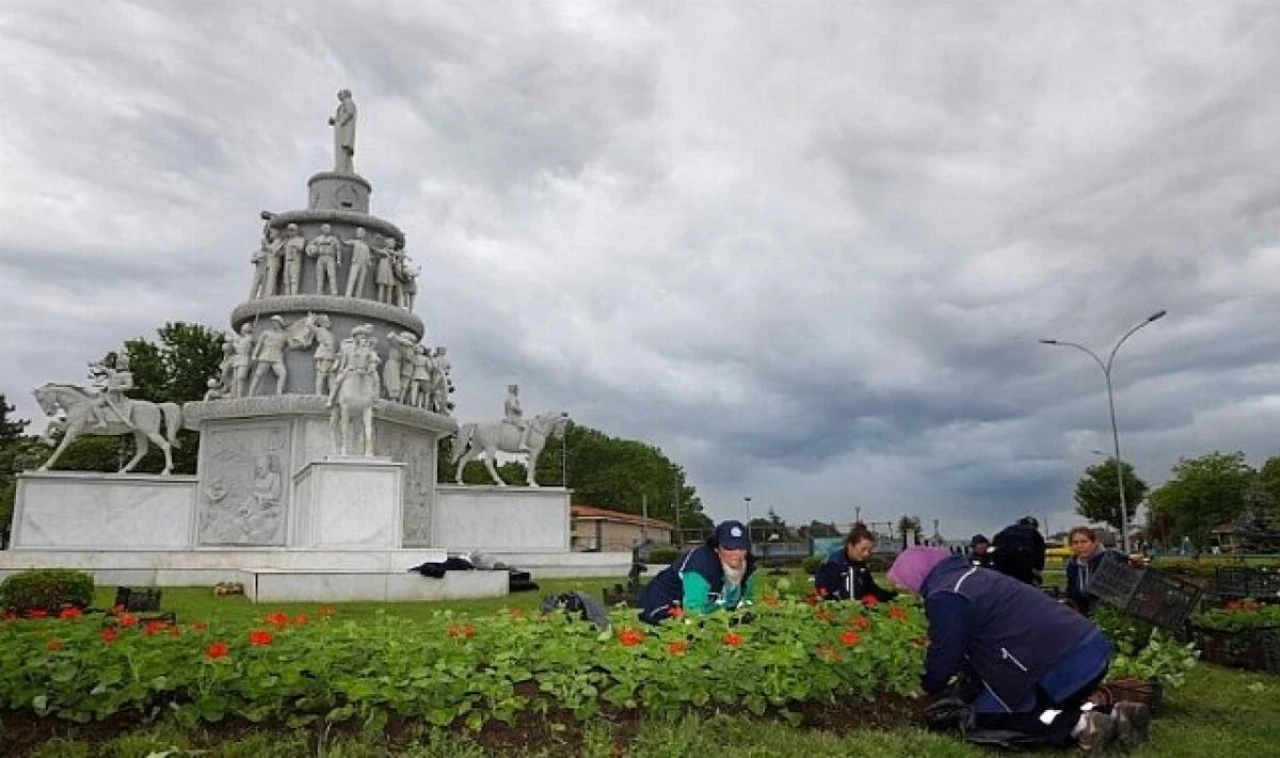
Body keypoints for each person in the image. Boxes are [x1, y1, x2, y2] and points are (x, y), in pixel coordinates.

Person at [887, 547, 1151, 754]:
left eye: (903, 583)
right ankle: (1115, 715)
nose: (905, 590)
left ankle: (1078, 726)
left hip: (1063, 664)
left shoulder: (946, 594)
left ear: (916, 573)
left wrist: (928, 685)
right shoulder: (973, 577)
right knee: (1023, 704)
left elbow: (947, 652)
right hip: (1089, 648)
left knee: (989, 716)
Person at [638, 520, 757, 624]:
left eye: (741, 548)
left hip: (703, 608)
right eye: (729, 548)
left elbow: (747, 602)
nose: (736, 554)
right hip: (661, 604)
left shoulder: (748, 567)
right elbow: (693, 610)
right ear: (717, 548)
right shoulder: (700, 565)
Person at [814, 524, 896, 602]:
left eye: (870, 550)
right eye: (863, 549)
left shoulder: (861, 565)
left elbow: (871, 588)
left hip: (856, 610)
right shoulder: (834, 564)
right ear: (850, 545)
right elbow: (823, 592)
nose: (867, 554)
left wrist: (892, 597)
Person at [1065, 527, 1121, 617]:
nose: (1080, 546)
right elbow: (1071, 592)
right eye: (1075, 543)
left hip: (1108, 613)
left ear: (1093, 543)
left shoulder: (1107, 560)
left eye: (1084, 542)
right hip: (1083, 615)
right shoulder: (1072, 566)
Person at [992, 517, 1046, 586]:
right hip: (1022, 560)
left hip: (1001, 560)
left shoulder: (1006, 530)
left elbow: (995, 543)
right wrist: (1037, 571)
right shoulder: (1034, 533)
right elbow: (1040, 555)